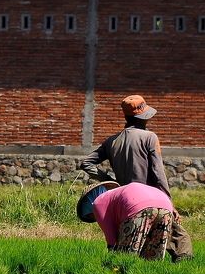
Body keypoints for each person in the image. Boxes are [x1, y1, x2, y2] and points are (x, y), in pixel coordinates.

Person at [79, 94, 192, 261]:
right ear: (143, 117)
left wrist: (111, 182)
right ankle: (184, 268)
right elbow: (158, 171)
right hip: (151, 198)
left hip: (125, 201)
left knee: (132, 244)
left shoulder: (112, 141)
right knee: (181, 240)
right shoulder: (149, 137)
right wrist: (169, 201)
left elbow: (86, 163)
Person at [77, 181, 174, 259]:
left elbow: (111, 239)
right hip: (166, 205)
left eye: (91, 217)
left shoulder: (97, 203)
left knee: (125, 259)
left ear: (88, 206)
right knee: (152, 259)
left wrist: (111, 258)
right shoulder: (114, 196)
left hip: (138, 207)